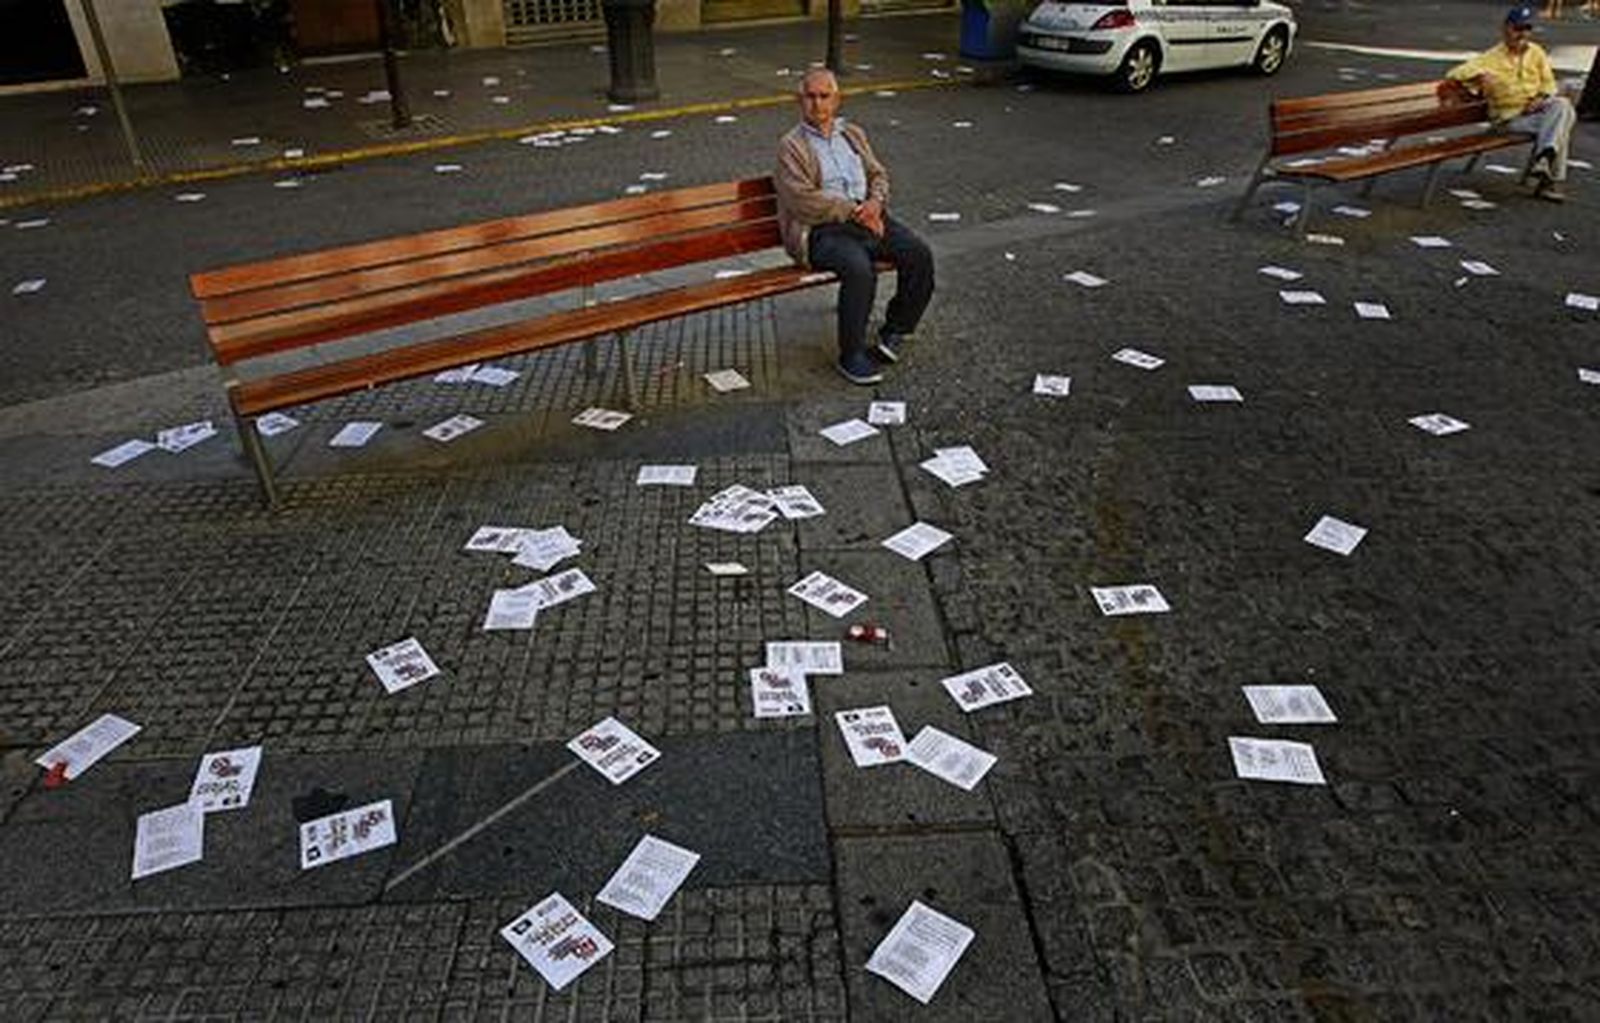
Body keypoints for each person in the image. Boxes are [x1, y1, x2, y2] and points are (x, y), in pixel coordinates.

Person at [775, 69, 935, 385]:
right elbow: (801, 200)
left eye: (825, 96)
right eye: (810, 96)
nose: (817, 104)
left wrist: (875, 203)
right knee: (859, 268)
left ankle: (896, 330)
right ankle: (851, 355)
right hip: (820, 231)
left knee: (919, 254)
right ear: (799, 100)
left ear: (837, 100)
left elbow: (878, 174)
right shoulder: (791, 146)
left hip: (867, 217)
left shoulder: (853, 134)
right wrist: (853, 211)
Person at [1447, 5, 1579, 201]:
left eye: (1527, 28)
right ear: (1506, 28)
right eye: (1518, 28)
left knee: (1562, 106)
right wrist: (1480, 76)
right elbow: (1454, 74)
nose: (1522, 33)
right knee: (1562, 120)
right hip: (1509, 120)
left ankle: (1544, 159)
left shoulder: (1536, 52)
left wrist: (1540, 98)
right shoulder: (1491, 58)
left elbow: (1549, 83)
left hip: (1536, 113)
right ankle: (1547, 179)